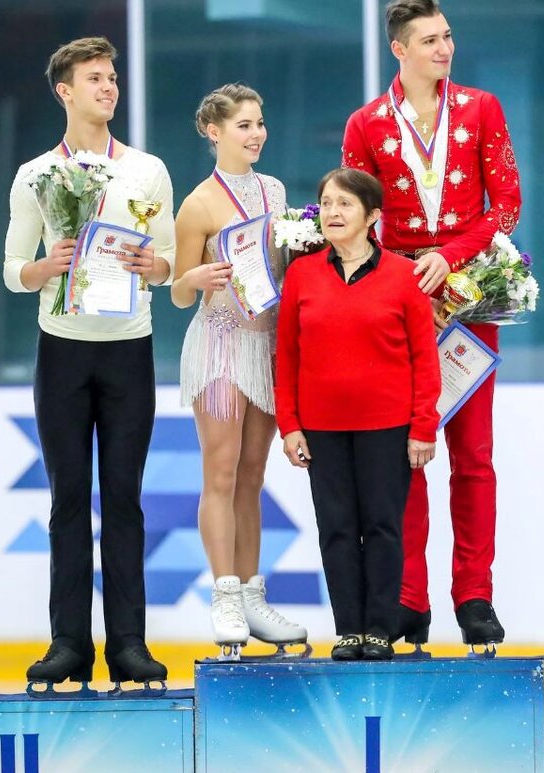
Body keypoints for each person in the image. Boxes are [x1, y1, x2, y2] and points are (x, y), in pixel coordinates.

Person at [341, 0, 521, 653]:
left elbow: (506, 204)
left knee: (473, 456)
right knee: (404, 455)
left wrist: (453, 255)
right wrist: (394, 274)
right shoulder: (366, 123)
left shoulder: (481, 109)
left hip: (469, 298)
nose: (444, 48)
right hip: (400, 301)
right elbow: (356, 216)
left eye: (447, 36)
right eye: (429, 40)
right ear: (400, 49)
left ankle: (474, 594)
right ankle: (407, 596)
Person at [3, 36, 173, 693]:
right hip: (63, 348)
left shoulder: (147, 170)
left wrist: (151, 265)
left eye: (112, 78)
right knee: (68, 498)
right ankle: (69, 642)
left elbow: (167, 262)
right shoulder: (35, 175)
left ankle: (129, 643)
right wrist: (43, 267)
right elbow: (12, 269)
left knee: (124, 499)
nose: (108, 88)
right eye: (95, 78)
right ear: (64, 91)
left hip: (129, 345)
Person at [275, 168, 439, 661]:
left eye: (345, 203)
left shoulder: (405, 276)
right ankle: (348, 629)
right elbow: (286, 355)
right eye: (326, 203)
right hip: (321, 427)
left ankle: (380, 629)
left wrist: (423, 427)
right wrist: (289, 425)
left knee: (384, 527)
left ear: (372, 216)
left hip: (388, 426)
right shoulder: (302, 274)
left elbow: (424, 358)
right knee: (337, 528)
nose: (332, 212)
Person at [171, 83, 307, 657]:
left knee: (253, 475)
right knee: (222, 473)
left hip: (266, 346)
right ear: (214, 131)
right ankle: (225, 595)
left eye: (259, 123)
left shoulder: (274, 190)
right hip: (222, 344)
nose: (256, 134)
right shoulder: (198, 203)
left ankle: (252, 595)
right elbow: (178, 292)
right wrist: (195, 278)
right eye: (244, 125)